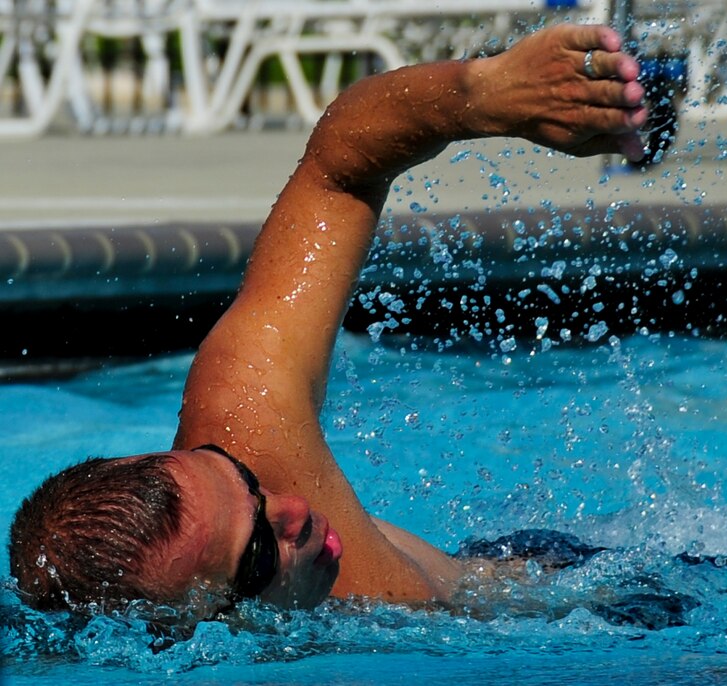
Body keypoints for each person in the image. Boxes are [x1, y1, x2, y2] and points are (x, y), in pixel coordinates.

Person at [7, 23, 647, 616]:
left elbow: (339, 166)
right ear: (191, 627)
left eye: (248, 484)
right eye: (258, 553)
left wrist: (485, 92)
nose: (294, 509)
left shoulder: (242, 419)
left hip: (591, 582)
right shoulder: (355, 631)